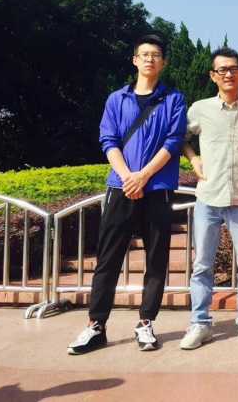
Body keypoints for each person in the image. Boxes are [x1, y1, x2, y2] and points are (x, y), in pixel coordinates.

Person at [68, 34, 187, 355]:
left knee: (156, 260)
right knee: (108, 259)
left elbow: (174, 141)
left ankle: (146, 323)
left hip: (157, 189)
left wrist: (144, 176)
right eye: (144, 54)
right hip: (120, 187)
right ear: (135, 60)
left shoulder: (174, 99)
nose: (150, 59)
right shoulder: (116, 99)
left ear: (163, 62)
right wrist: (127, 177)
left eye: (156, 54)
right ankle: (96, 325)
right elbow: (108, 140)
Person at [179, 47, 238, 350]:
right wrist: (193, 159)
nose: (228, 74)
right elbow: (180, 138)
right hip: (208, 198)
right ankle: (200, 324)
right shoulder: (200, 109)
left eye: (233, 69)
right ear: (213, 76)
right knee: (202, 265)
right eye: (222, 70)